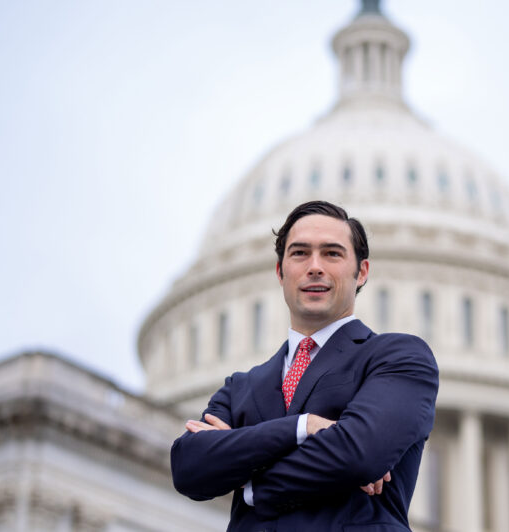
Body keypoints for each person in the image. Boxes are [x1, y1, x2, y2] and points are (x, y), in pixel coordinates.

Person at [170, 200, 439, 531]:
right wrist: (304, 427)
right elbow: (189, 468)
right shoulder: (240, 387)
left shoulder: (398, 357)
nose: (315, 266)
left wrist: (249, 478)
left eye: (332, 254)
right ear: (280, 271)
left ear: (362, 272)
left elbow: (359, 455)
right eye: (299, 253)